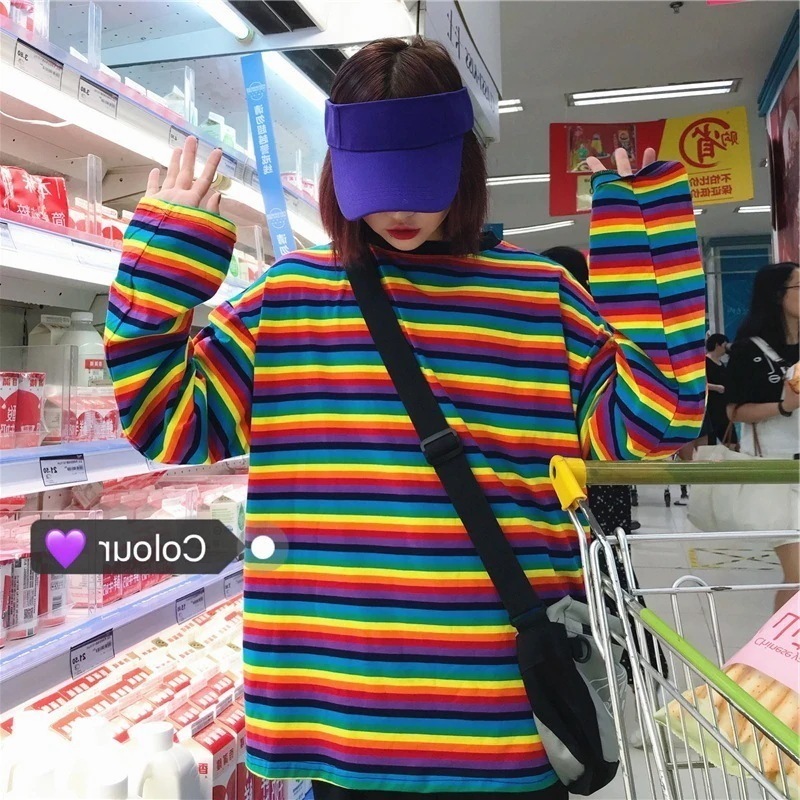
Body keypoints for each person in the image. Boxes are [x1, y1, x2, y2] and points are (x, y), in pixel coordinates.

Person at [104, 37, 706, 800]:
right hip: (346, 724)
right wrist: (165, 260)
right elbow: (165, 422)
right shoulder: (288, 299)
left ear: (465, 165)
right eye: (375, 182)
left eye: (420, 179)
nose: (398, 208)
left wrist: (642, 240)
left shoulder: (540, 297)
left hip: (509, 722)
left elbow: (658, 422)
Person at [726, 262, 800, 611]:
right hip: (777, 470)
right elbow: (734, 411)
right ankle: (782, 645)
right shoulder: (748, 350)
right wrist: (783, 406)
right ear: (777, 295)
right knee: (798, 575)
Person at [703, 333, 737, 446]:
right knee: (710, 442)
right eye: (724, 345)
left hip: (723, 407)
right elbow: (700, 384)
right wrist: (716, 387)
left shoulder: (721, 364)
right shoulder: (705, 362)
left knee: (731, 441)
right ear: (717, 345)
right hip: (711, 408)